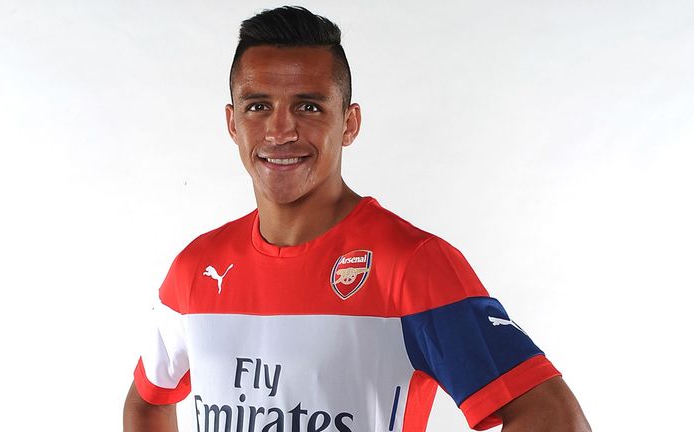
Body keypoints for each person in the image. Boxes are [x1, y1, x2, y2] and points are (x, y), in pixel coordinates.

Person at [123, 6, 591, 432]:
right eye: (258, 106)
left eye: (308, 106)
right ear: (232, 123)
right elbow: (148, 403)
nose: (280, 131)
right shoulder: (195, 269)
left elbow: (554, 419)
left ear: (349, 123)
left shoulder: (412, 266)